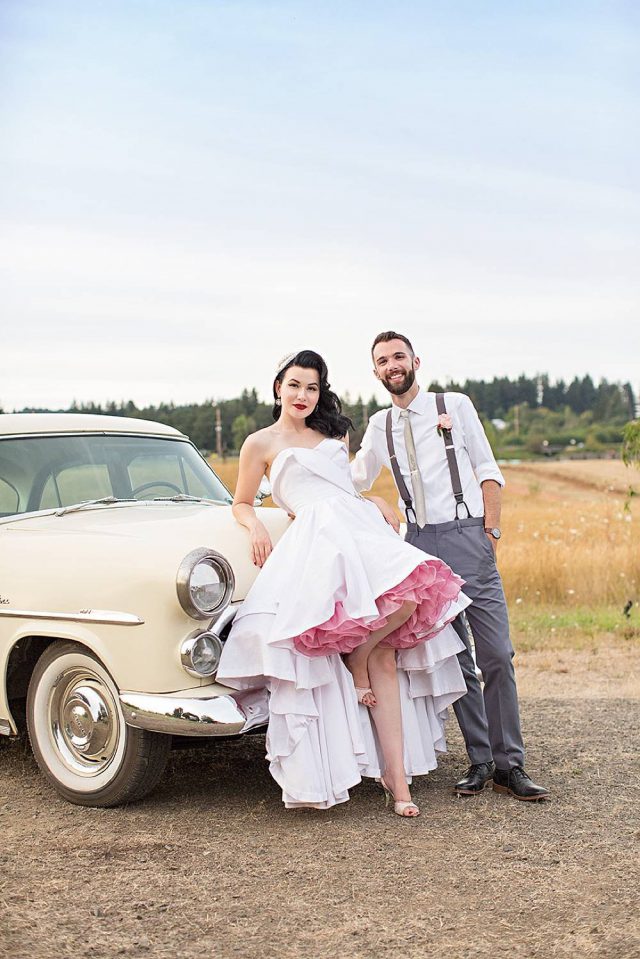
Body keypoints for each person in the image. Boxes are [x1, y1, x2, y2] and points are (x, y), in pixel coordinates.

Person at [217, 349, 471, 816]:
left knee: (410, 600)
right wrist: (253, 525)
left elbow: (345, 484)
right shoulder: (259, 443)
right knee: (358, 657)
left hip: (356, 525)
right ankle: (377, 778)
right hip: (317, 538)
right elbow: (242, 501)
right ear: (278, 388)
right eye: (294, 385)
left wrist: (372, 497)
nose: (303, 395)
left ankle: (395, 769)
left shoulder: (334, 431)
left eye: (312, 387)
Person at [351, 332, 549, 802]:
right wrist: (368, 495)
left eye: (398, 356)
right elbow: (352, 476)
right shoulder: (379, 425)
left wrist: (491, 532)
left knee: (497, 653)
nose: (392, 365)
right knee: (456, 658)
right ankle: (480, 762)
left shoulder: (454, 405)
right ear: (376, 372)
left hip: (468, 535)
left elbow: (487, 468)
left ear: (415, 361)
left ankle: (511, 764)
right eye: (382, 361)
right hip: (419, 545)